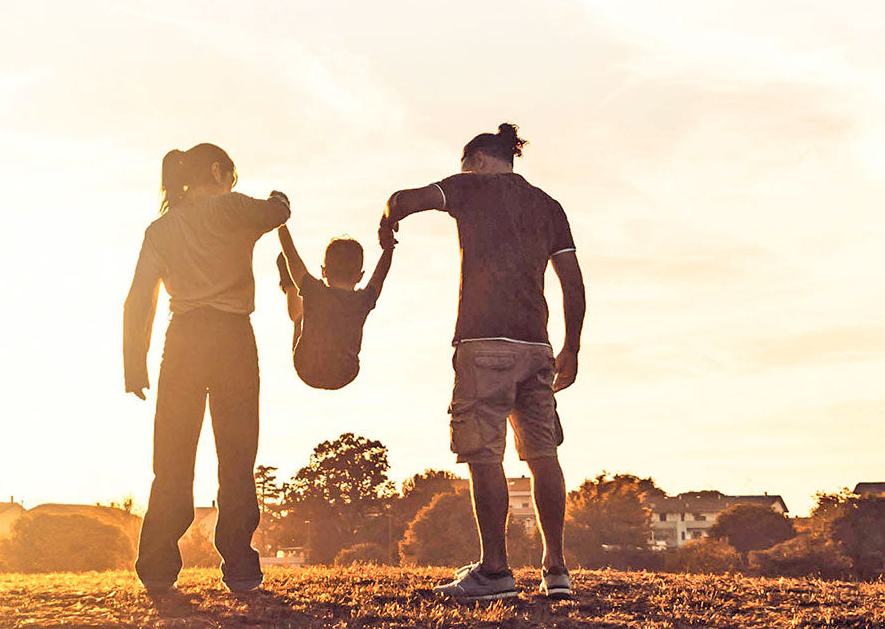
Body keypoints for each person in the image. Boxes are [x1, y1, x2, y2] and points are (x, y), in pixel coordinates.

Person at [381, 123, 585, 601]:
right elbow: (572, 282)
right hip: (538, 347)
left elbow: (402, 200)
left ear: (473, 161)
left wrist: (387, 221)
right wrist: (571, 346)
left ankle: (495, 572)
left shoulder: (468, 186)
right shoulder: (548, 205)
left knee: (483, 454)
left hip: (483, 342)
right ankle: (556, 570)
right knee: (543, 456)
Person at [124, 143, 290, 595]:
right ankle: (240, 567)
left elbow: (140, 297)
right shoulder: (233, 208)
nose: (232, 183)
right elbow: (278, 212)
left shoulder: (160, 229)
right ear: (218, 171)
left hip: (182, 343)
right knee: (237, 458)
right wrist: (280, 198)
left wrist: (133, 364)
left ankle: (157, 567)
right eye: (231, 175)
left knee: (172, 459)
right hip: (233, 339)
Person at [274, 224, 394, 390]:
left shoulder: (315, 291)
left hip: (307, 368)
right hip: (345, 372)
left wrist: (281, 224)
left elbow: (291, 255)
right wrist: (389, 248)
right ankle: (291, 285)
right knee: (304, 301)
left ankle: (289, 285)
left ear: (324, 272)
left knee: (299, 316)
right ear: (360, 276)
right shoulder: (362, 300)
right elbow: (380, 275)